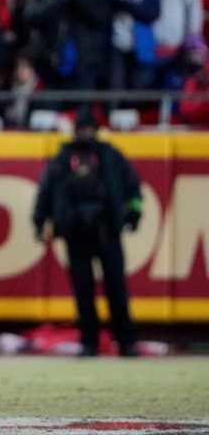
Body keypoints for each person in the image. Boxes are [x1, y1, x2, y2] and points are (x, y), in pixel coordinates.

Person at [33, 107, 142, 358]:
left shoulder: (110, 156)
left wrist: (133, 213)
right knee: (83, 291)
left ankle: (126, 342)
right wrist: (39, 221)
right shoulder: (63, 159)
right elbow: (46, 192)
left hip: (106, 230)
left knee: (116, 288)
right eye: (81, 129)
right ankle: (89, 342)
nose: (85, 133)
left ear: (95, 129)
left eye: (88, 128)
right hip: (76, 232)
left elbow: (132, 186)